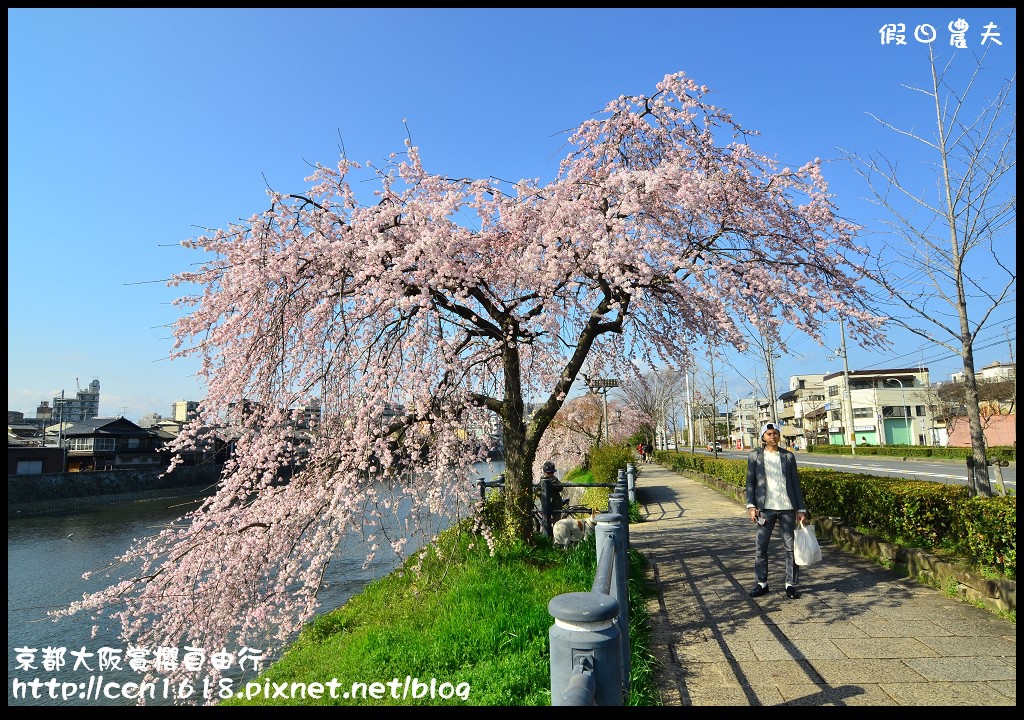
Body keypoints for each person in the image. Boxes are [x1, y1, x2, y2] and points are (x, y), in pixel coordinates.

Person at [745, 421, 808, 600]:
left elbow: (795, 483)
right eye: (769, 434)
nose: (773, 437)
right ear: (763, 437)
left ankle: (791, 584)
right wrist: (751, 506)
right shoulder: (755, 456)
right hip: (765, 510)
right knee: (761, 546)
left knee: (791, 548)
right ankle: (762, 583)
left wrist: (801, 509)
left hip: (788, 508)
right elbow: (750, 482)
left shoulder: (788, 456)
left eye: (775, 433)